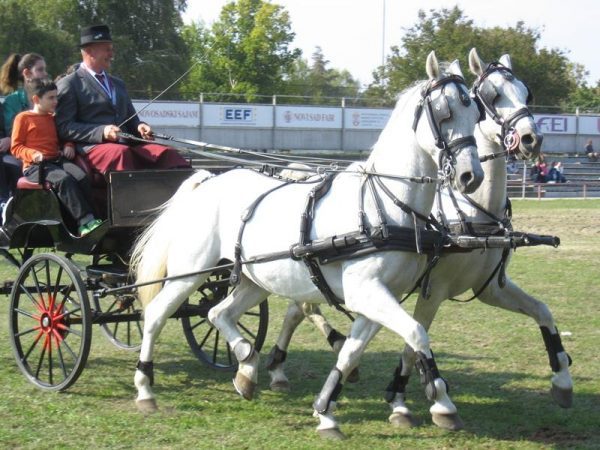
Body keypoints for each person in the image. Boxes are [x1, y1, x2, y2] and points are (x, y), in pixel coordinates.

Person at [55, 24, 189, 174]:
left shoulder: (118, 83)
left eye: (112, 49)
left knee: (168, 154)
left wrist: (140, 127)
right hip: (93, 148)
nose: (112, 54)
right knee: (121, 154)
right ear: (89, 51)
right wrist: (102, 131)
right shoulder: (69, 84)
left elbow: (132, 119)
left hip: (127, 145)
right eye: (107, 49)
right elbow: (64, 127)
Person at [11, 79, 102, 236]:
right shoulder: (23, 118)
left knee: (81, 176)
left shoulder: (53, 118)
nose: (56, 101)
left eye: (56, 97)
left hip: (56, 160)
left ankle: (95, 218)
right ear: (36, 99)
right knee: (63, 180)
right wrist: (33, 154)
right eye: (51, 98)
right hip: (35, 167)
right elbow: (16, 147)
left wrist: (69, 145)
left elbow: (63, 136)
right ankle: (84, 222)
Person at [0, 53, 44, 207]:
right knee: (16, 167)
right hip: (20, 152)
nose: (44, 74)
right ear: (26, 73)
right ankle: (12, 208)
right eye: (40, 70)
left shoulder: (48, 97)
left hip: (43, 151)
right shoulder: (12, 101)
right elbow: (10, 131)